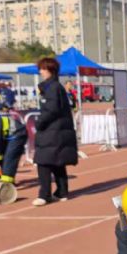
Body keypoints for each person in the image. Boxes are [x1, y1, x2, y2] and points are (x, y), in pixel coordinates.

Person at [32, 57, 78, 206]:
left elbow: (51, 110)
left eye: (43, 69)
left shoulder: (53, 88)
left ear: (50, 70)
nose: (41, 72)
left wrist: (39, 122)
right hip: (57, 130)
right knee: (57, 161)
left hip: (53, 130)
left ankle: (44, 195)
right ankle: (62, 192)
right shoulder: (54, 87)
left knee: (43, 162)